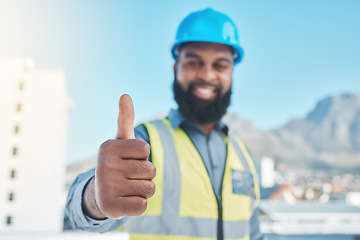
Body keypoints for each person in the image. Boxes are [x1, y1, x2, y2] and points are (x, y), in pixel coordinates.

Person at [66, 8, 263, 240]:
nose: (207, 75)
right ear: (175, 68)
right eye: (193, 62)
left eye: (220, 65)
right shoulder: (146, 141)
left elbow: (253, 232)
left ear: (232, 73)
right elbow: (79, 205)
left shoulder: (243, 152)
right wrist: (95, 198)